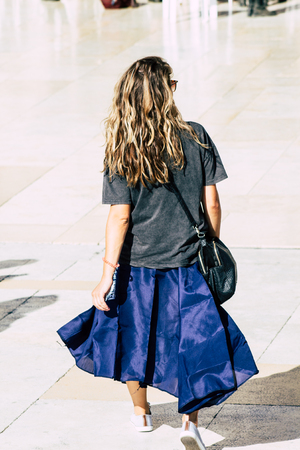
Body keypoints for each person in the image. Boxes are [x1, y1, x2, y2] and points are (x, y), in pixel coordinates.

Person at [57, 56, 258, 450]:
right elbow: (212, 203)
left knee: (134, 339)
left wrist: (107, 273)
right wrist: (210, 244)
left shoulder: (123, 147)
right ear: (166, 92)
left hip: (138, 268)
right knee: (193, 344)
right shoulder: (196, 136)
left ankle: (142, 413)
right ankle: (189, 422)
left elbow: (120, 216)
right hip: (187, 267)